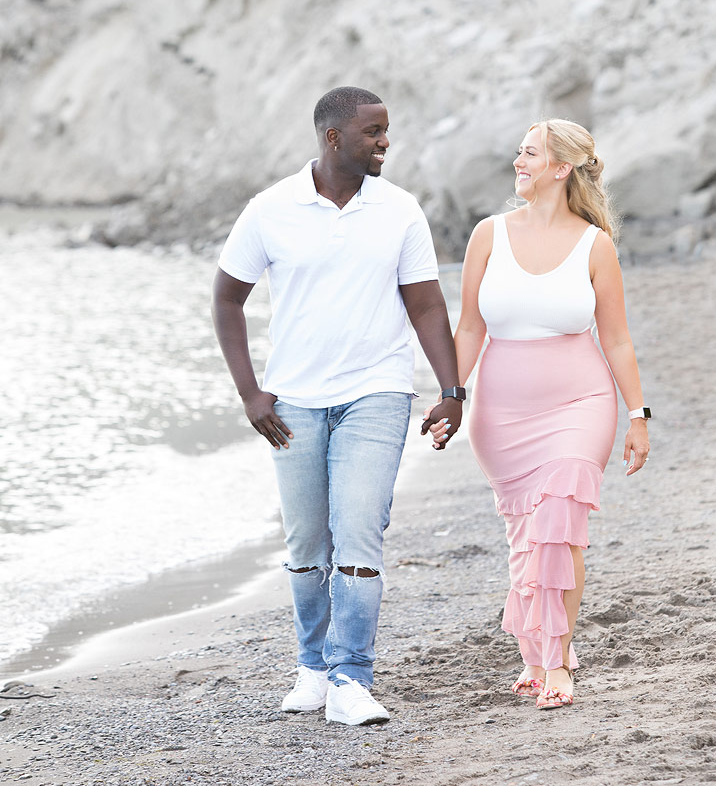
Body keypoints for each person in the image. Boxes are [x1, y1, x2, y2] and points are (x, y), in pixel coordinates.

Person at [211, 86, 463, 726]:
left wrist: (451, 390)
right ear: (333, 138)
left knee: (358, 532)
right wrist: (249, 392)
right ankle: (313, 670)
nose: (385, 141)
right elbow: (226, 299)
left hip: (377, 394)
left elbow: (427, 305)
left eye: (386, 130)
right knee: (305, 541)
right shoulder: (271, 209)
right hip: (293, 401)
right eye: (373, 132)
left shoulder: (400, 210)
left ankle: (352, 676)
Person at [429, 117, 650, 710]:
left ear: (562, 168)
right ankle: (534, 655)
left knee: (560, 529)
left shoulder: (594, 245)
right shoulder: (488, 235)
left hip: (582, 405)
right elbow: (470, 326)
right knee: (527, 539)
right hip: (502, 416)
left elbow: (619, 340)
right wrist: (451, 392)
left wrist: (638, 414)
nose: (518, 162)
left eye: (530, 153)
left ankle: (557, 664)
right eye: (519, 152)